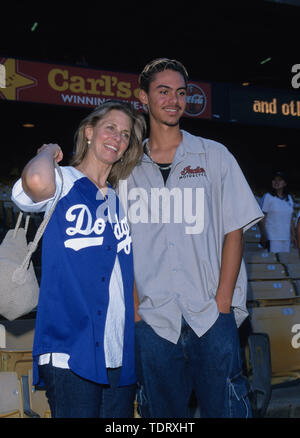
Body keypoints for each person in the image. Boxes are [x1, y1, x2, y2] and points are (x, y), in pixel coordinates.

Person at [118, 58, 264, 418]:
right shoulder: (126, 167)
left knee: (228, 410)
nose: (173, 100)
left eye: (180, 92)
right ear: (143, 97)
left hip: (210, 316)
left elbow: (235, 231)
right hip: (152, 320)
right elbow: (122, 245)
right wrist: (135, 311)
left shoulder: (214, 156)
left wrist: (223, 302)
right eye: (163, 91)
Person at [11, 100, 146, 418]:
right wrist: (48, 151)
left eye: (125, 134)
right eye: (110, 127)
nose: (118, 138)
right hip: (71, 348)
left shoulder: (115, 198)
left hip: (116, 351)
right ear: (89, 132)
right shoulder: (63, 180)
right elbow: (36, 183)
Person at [259, 171, 296, 253]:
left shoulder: (289, 198)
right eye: (274, 180)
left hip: (286, 238)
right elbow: (262, 218)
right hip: (272, 238)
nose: (276, 182)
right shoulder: (268, 197)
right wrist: (263, 234)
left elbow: (290, 219)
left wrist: (293, 235)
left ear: (285, 183)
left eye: (279, 180)